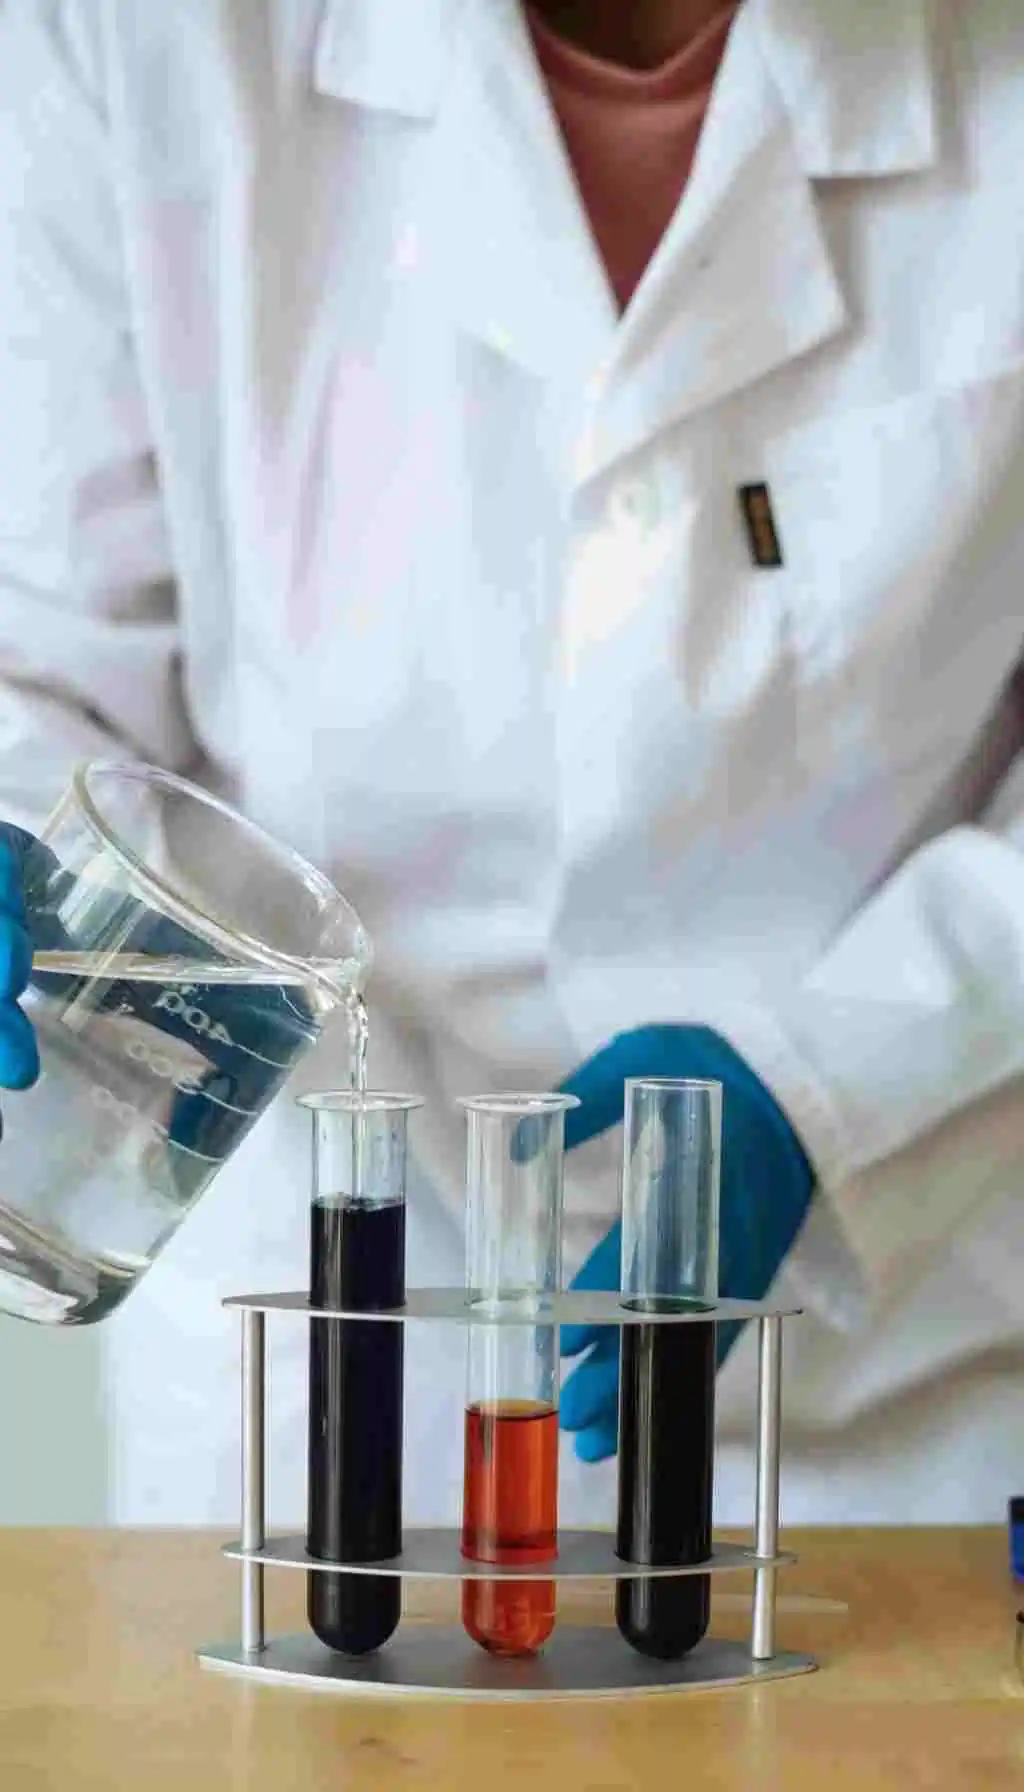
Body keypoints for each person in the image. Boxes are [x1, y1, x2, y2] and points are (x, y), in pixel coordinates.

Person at [0, 0, 1021, 1531]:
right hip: (309, 1345)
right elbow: (42, 655)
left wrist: (842, 1084)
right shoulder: (129, 37)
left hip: (886, 1381)